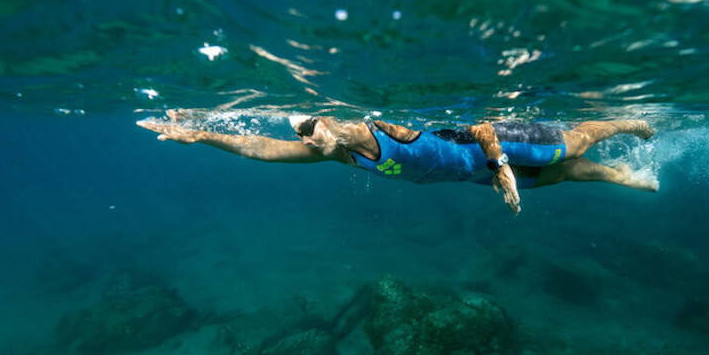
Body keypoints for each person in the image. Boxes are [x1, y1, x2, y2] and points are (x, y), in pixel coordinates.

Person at [137, 110, 656, 214]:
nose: (306, 140)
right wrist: (202, 136)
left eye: (310, 129)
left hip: (491, 149)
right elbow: (261, 150)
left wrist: (499, 167)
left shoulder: (379, 130)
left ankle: (621, 121)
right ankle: (621, 176)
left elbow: (479, 129)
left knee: (573, 147)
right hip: (475, 174)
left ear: (329, 118)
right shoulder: (333, 153)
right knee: (560, 178)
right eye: (299, 134)